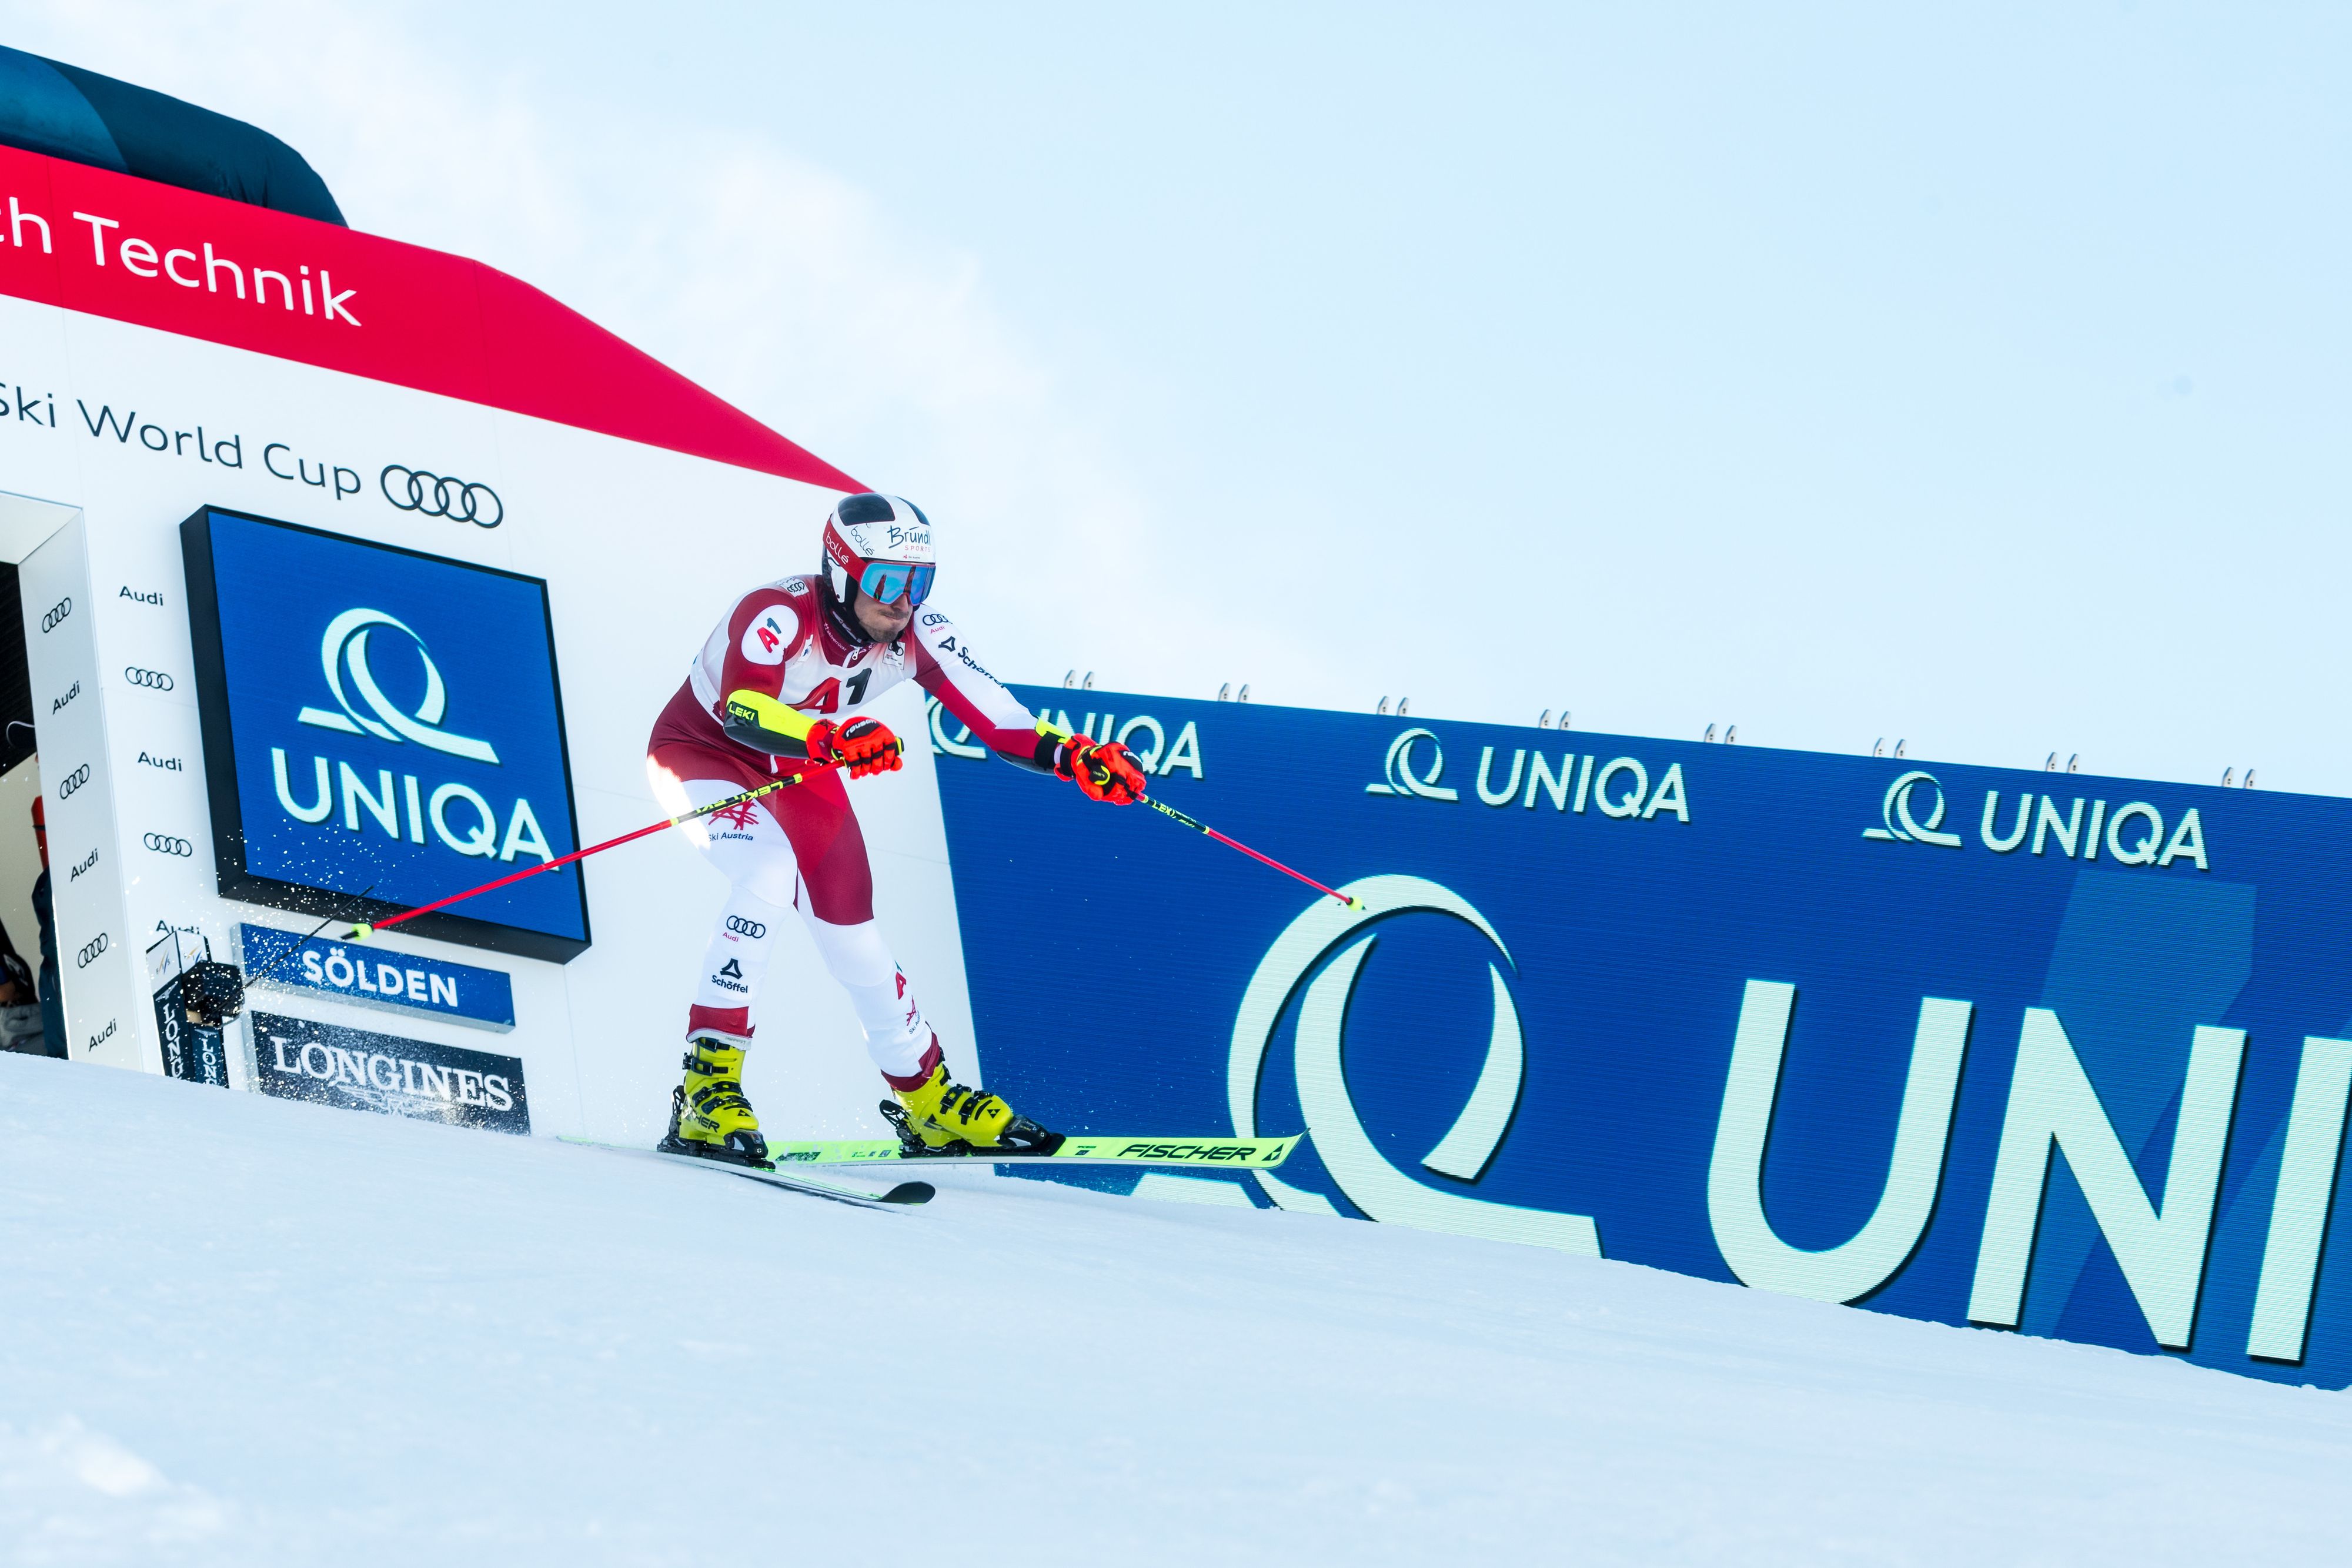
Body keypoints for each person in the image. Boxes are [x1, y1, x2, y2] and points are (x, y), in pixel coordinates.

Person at [645, 493, 1147, 1164]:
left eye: (919, 582)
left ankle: (930, 1099)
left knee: (855, 941)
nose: (903, 601)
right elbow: (742, 710)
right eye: (887, 582)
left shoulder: (917, 632)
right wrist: (832, 735)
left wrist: (1071, 754)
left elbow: (997, 717)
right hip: (702, 754)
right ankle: (707, 1088)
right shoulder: (776, 611)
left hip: (805, 765)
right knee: (766, 874)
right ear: (842, 572)